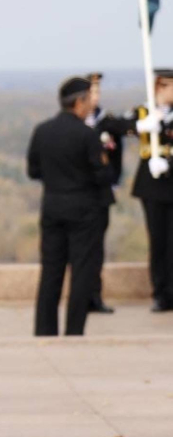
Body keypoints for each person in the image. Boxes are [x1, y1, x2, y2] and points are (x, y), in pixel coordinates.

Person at [27, 76, 115, 336]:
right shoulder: (87, 134)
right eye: (88, 100)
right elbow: (103, 175)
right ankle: (74, 331)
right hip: (85, 211)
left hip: (52, 207)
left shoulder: (42, 131)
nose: (91, 105)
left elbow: (33, 171)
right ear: (79, 102)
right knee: (82, 272)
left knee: (51, 272)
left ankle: (45, 331)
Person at [129, 69, 173, 311]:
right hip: (152, 186)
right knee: (158, 241)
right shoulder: (144, 112)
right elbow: (116, 126)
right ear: (160, 87)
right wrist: (141, 125)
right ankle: (161, 292)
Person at [84, 72, 125, 314]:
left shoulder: (106, 123)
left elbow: (117, 152)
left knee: (97, 248)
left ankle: (95, 295)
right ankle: (81, 296)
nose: (95, 96)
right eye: (91, 91)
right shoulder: (74, 124)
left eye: (98, 91)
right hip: (80, 195)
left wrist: (113, 179)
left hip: (100, 195)